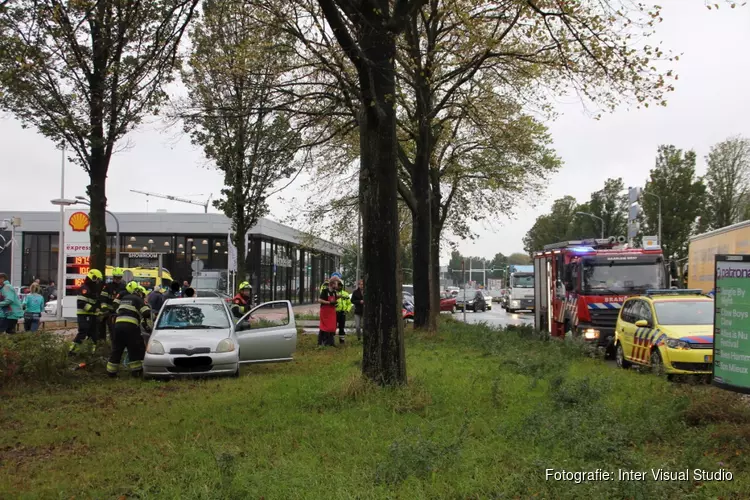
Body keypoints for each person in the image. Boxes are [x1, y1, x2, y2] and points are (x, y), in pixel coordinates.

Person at [107, 281, 153, 377]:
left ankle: (111, 372)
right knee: (134, 348)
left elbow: (117, 309)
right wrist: (148, 308)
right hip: (130, 327)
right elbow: (146, 313)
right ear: (139, 292)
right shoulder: (137, 299)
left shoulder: (124, 298)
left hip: (118, 327)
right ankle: (136, 372)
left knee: (117, 349)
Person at [70, 269, 103, 354]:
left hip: (92, 315)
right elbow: (81, 303)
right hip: (84, 315)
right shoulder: (84, 289)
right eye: (98, 280)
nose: (98, 282)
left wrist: (100, 311)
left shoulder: (93, 289)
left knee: (94, 335)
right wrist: (94, 309)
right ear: (93, 278)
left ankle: (91, 353)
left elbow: (96, 303)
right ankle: (72, 352)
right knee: (83, 332)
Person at [99, 267, 126, 342]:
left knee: (121, 331)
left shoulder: (124, 287)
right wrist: (105, 308)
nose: (117, 279)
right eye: (116, 277)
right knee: (112, 331)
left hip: (121, 313)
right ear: (113, 277)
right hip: (110, 313)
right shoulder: (108, 286)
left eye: (119, 278)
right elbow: (102, 299)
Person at [318, 276, 339, 347]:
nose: (337, 286)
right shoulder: (325, 291)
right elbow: (320, 300)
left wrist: (338, 299)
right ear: (332, 284)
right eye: (336, 284)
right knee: (324, 327)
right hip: (325, 312)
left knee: (332, 327)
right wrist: (329, 303)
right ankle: (321, 342)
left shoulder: (334, 292)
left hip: (332, 311)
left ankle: (331, 342)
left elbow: (335, 299)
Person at [334, 276, 352, 344]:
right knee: (333, 327)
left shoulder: (345, 294)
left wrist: (347, 310)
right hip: (335, 312)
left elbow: (349, 304)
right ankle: (332, 340)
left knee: (342, 327)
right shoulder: (334, 293)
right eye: (338, 285)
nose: (339, 287)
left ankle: (342, 341)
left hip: (343, 313)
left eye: (341, 286)